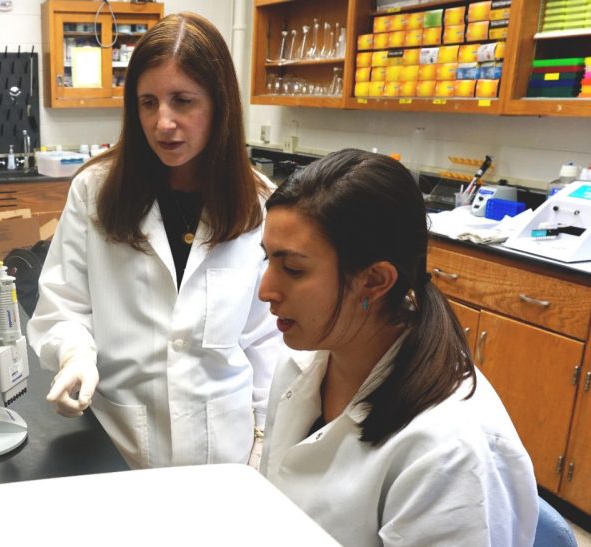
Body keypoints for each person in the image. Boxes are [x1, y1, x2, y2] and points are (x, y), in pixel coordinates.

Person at [27, 12, 283, 470]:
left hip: (227, 451)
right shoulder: (96, 190)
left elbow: (267, 338)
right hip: (119, 443)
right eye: (148, 102)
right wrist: (75, 354)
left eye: (183, 101)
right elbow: (62, 304)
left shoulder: (259, 202)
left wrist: (267, 437)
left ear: (220, 104)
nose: (163, 122)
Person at [258, 149, 538, 545]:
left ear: (375, 280)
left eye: (293, 269)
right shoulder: (303, 362)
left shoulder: (452, 449)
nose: (265, 290)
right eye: (267, 260)